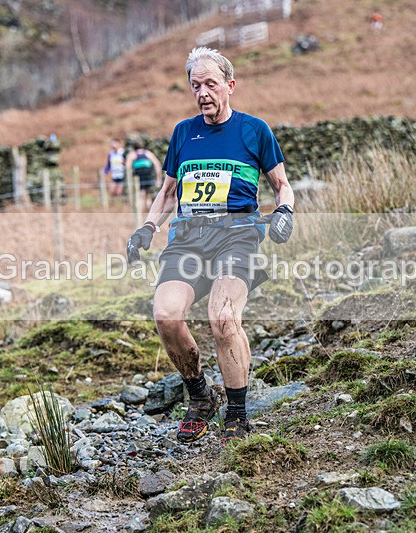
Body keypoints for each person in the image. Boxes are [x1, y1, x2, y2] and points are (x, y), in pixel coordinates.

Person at [126, 47, 295, 443]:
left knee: (223, 318)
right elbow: (168, 193)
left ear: (230, 86)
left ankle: (237, 413)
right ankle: (201, 395)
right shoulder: (183, 133)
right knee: (166, 316)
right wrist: (147, 228)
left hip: (237, 236)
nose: (203, 93)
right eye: (195, 85)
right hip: (188, 240)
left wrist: (285, 212)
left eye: (211, 84)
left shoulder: (254, 130)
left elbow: (282, 185)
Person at [125, 139, 162, 212]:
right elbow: (157, 164)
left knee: (141, 194)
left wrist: (129, 180)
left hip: (139, 177)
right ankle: (146, 210)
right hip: (148, 176)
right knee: (148, 194)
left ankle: (142, 211)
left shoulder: (132, 154)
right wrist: (159, 178)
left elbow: (127, 167)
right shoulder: (148, 153)